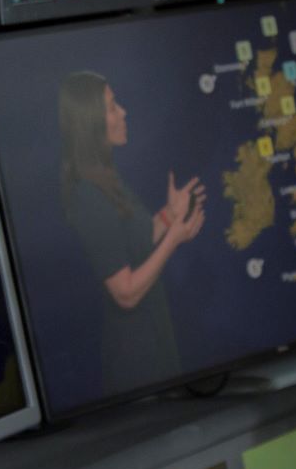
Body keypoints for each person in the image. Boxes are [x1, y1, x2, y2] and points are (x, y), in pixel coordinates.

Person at [56, 70, 206, 402]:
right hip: (137, 367)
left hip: (155, 346)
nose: (123, 112)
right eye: (112, 107)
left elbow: (135, 244)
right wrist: (174, 239)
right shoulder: (87, 195)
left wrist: (169, 216)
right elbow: (125, 292)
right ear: (91, 120)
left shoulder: (107, 178)